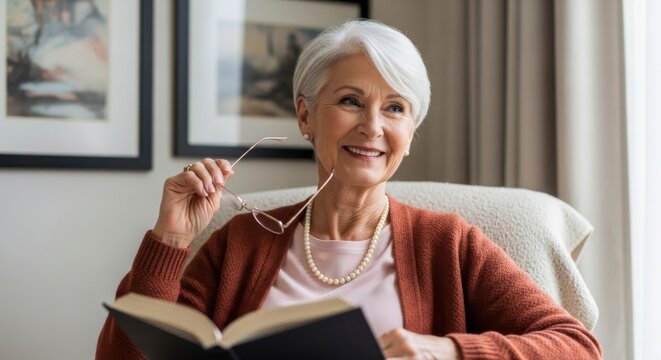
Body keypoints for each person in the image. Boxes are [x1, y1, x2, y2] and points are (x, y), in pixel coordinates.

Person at [96, 19, 601, 359]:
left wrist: (445, 351)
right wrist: (169, 239)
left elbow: (577, 346)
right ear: (305, 116)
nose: (373, 127)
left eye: (395, 108)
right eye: (351, 101)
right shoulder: (240, 242)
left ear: (411, 130)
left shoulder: (448, 243)